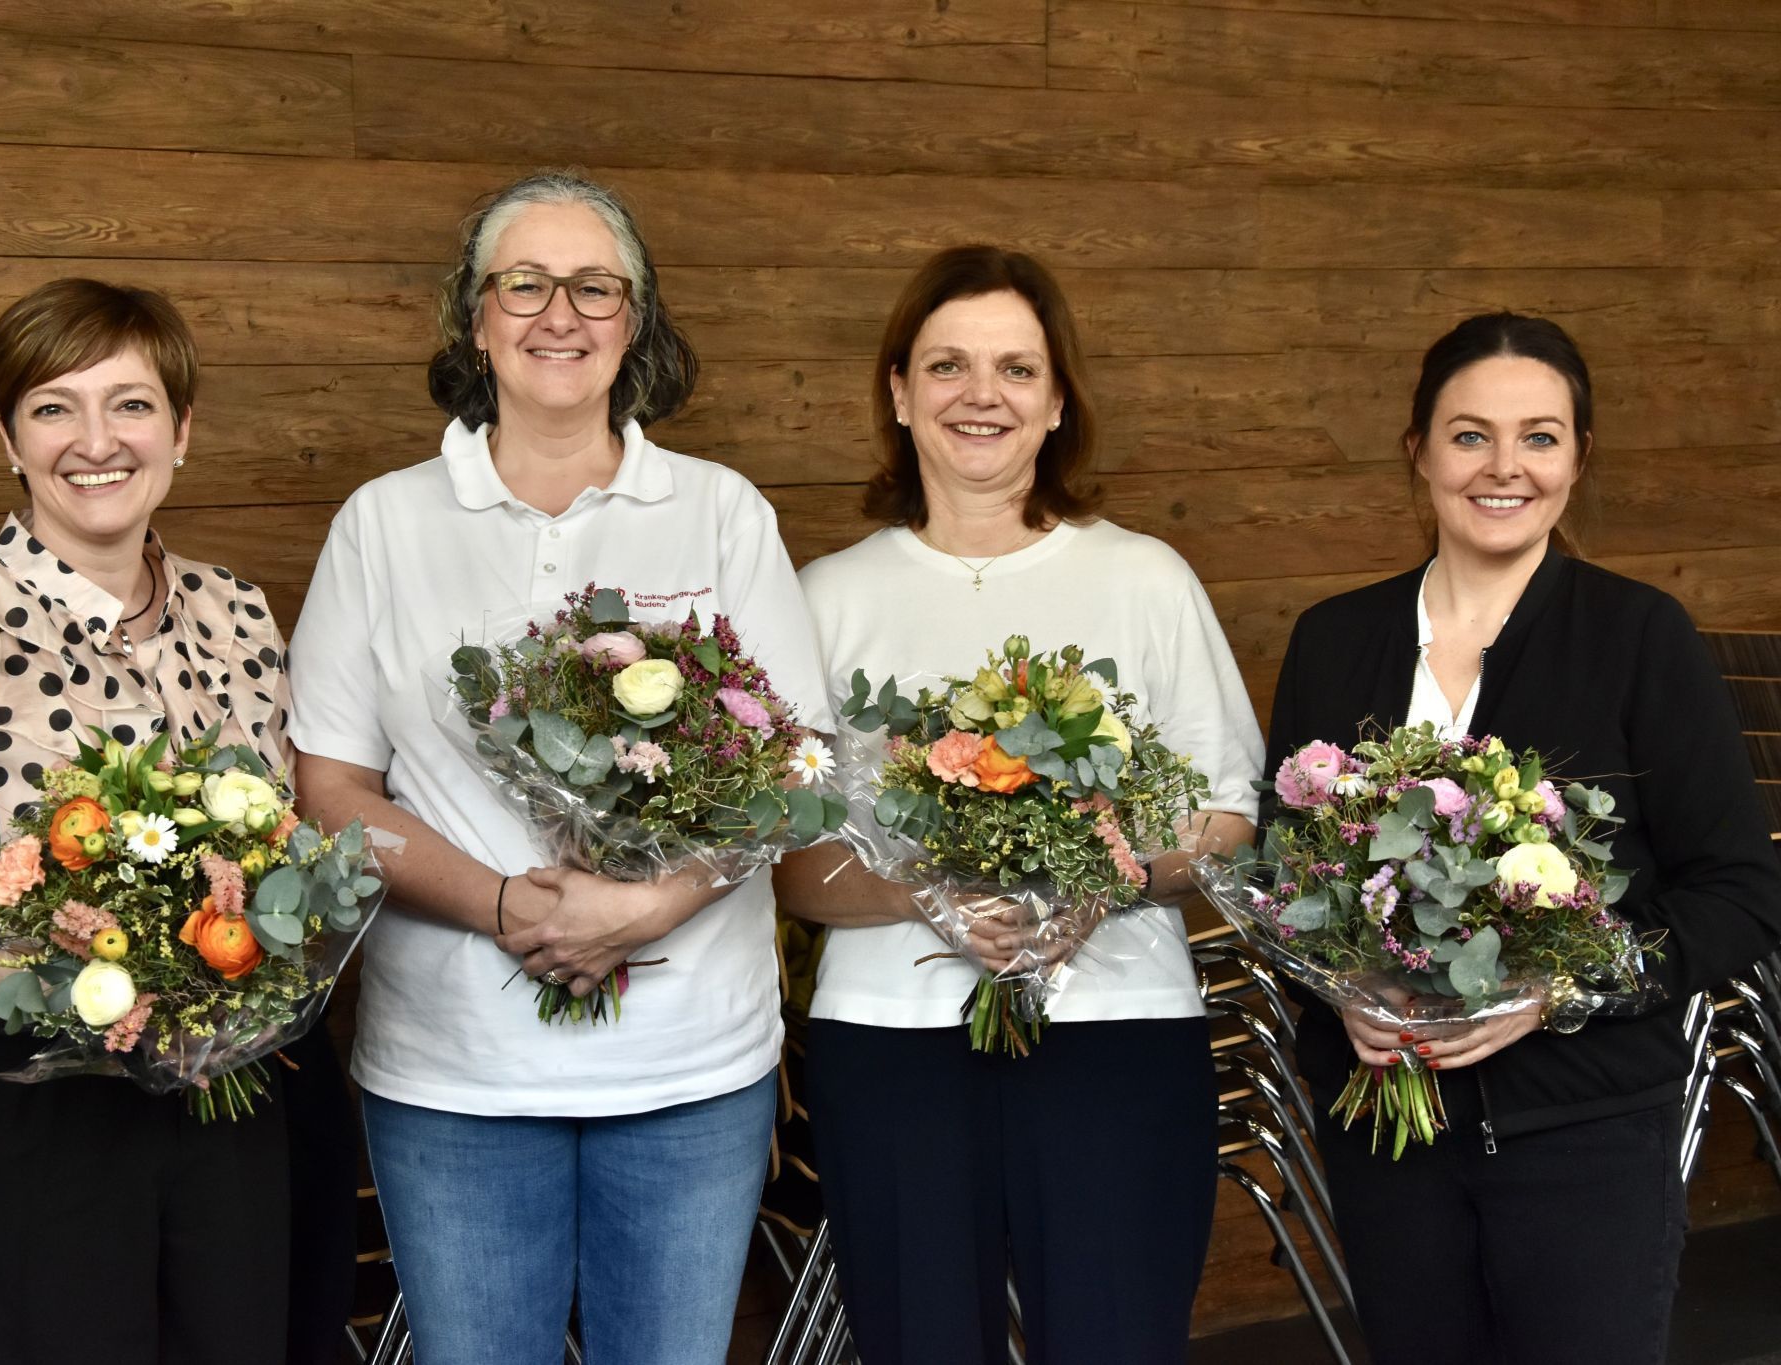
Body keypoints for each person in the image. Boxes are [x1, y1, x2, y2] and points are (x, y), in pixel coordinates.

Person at [285, 170, 830, 1365]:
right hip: (453, 1072)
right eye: (523, 284)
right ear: (473, 318)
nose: (559, 315)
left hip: (690, 1063)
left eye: (594, 288)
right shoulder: (382, 523)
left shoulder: (720, 511)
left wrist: (646, 907)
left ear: (635, 322)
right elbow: (331, 792)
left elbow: (798, 766)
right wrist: (501, 906)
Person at [0, 278, 355, 1364]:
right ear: (8, 438)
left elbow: (288, 842)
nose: (96, 441)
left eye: (131, 404)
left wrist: (245, 974)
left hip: (233, 1104)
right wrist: (83, 991)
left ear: (181, 431)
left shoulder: (237, 610)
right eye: (54, 407)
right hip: (26, 1120)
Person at [773, 246, 1263, 1365]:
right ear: (900, 394)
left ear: (1056, 403)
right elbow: (792, 866)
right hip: (892, 1043)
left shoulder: (1143, 577)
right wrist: (925, 896)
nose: (979, 395)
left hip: (1116, 1030)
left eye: (1016, 368)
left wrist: (1112, 877)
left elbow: (1227, 817)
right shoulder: (826, 596)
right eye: (946, 365)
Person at [1261, 312, 1781, 1365]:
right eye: (1470, 435)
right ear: (1417, 450)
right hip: (1385, 1129)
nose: (1504, 467)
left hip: (1583, 1135)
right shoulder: (1333, 639)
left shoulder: (1638, 636)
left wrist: (1559, 990)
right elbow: (1282, 881)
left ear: (1577, 458)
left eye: (1538, 437)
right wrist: (1341, 995)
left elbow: (1739, 891)